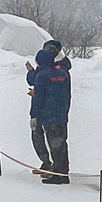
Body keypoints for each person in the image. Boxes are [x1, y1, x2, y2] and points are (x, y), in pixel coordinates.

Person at [27, 38, 72, 184]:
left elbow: (39, 97)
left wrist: (33, 115)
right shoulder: (61, 72)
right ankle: (61, 171)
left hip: (48, 114)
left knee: (55, 144)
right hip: (60, 113)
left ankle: (58, 173)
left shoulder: (44, 75)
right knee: (60, 143)